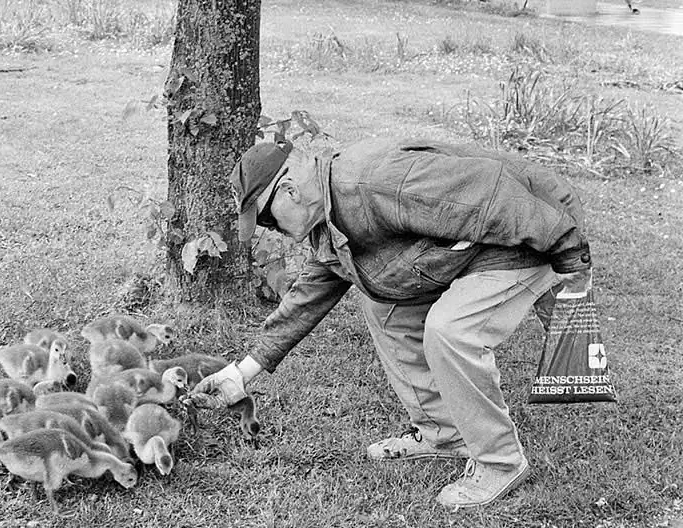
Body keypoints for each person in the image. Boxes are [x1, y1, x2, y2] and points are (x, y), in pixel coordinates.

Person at [192, 138, 593, 508]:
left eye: (268, 221)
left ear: (289, 191)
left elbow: (495, 195)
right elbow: (309, 295)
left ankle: (500, 463)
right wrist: (241, 374)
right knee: (384, 307)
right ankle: (444, 434)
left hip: (531, 233)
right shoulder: (328, 211)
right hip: (477, 244)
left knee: (450, 330)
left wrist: (571, 261)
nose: (274, 231)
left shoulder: (377, 182)